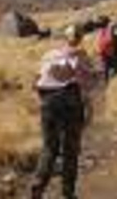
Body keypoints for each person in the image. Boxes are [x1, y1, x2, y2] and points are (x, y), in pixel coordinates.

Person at [31, 25, 95, 199]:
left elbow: (36, 80)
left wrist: (44, 100)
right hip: (70, 101)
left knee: (49, 148)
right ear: (80, 38)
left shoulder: (49, 55)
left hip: (48, 102)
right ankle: (68, 193)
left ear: (64, 38)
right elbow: (88, 85)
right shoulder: (80, 55)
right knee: (71, 150)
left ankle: (38, 185)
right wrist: (89, 107)